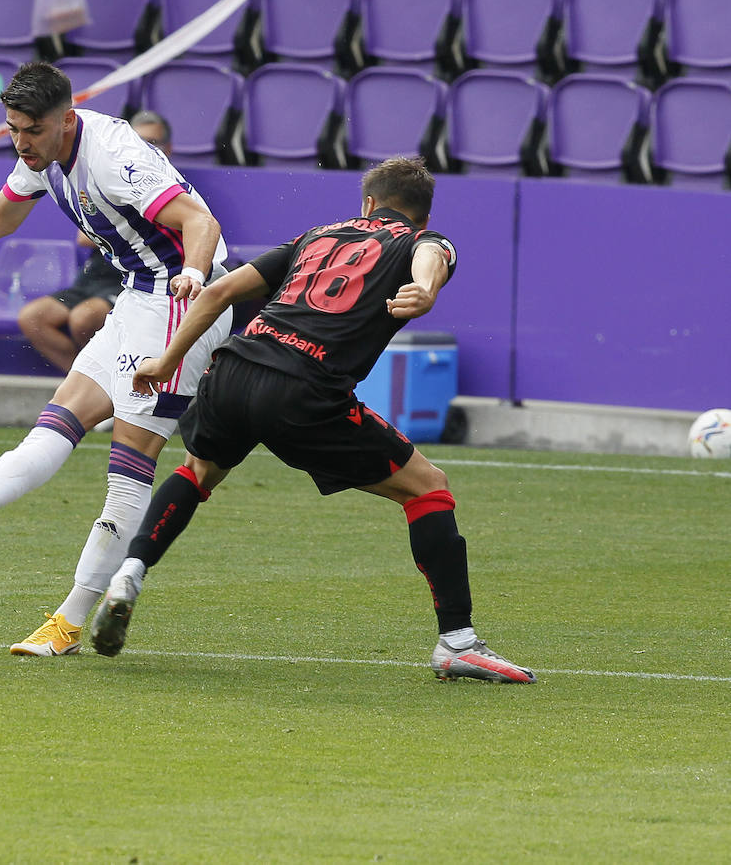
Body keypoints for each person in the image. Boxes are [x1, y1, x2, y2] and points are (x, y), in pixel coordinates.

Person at [87, 156, 536, 684]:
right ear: (423, 214)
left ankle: (131, 573)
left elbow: (218, 291)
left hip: (233, 368)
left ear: (368, 202)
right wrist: (425, 289)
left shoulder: (317, 236)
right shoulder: (422, 240)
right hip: (303, 388)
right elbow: (431, 254)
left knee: (197, 471)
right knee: (428, 489)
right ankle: (457, 642)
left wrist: (167, 360)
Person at [0, 62, 233, 657]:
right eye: (13, 129)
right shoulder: (41, 155)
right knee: (57, 422)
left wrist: (192, 275)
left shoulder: (114, 156)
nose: (21, 142)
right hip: (137, 296)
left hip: (182, 302)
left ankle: (69, 621)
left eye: (31, 130)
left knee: (128, 467)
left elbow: (200, 220)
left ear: (66, 120)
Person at [16, 111, 170, 374]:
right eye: (139, 140)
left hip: (130, 279)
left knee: (82, 320)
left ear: (168, 148)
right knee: (32, 318)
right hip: (91, 277)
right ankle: (82, 380)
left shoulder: (168, 184)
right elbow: (83, 237)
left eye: (153, 142)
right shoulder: (110, 175)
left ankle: (102, 384)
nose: (145, 148)